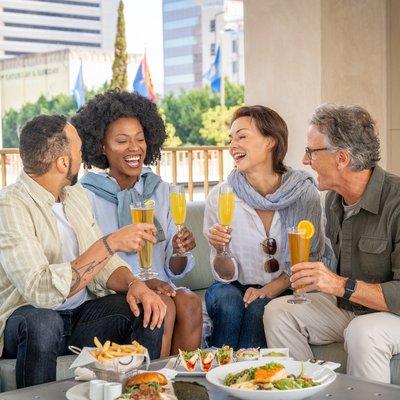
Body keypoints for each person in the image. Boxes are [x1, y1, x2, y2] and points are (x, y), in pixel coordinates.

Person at [0, 115, 166, 388]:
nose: (82, 156)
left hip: (79, 317)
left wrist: (136, 284)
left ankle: (141, 392)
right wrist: (110, 242)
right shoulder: (10, 205)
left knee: (145, 307)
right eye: (78, 150)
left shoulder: (75, 194)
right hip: (27, 321)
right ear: (63, 162)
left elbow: (101, 264)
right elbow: (40, 291)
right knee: (44, 322)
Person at [264, 104, 400, 383]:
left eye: (311, 152)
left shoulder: (396, 202)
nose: (304, 160)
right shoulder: (334, 201)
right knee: (278, 311)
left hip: (391, 315)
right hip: (353, 307)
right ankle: (305, 390)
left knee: (364, 331)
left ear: (342, 158)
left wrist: (338, 284)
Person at [71, 90, 203, 356]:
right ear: (101, 147)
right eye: (122, 141)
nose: (134, 148)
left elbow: (174, 269)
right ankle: (153, 387)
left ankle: (183, 385)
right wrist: (141, 283)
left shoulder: (161, 190)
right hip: (115, 292)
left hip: (162, 284)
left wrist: (178, 250)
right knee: (165, 304)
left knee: (190, 303)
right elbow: (93, 262)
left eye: (140, 139)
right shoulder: (87, 196)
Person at [204, 105, 331, 350]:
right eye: (230, 139)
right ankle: (216, 376)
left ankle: (250, 381)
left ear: (270, 141)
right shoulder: (221, 195)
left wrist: (271, 289)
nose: (232, 145)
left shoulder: (303, 192)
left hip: (285, 283)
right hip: (231, 285)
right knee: (229, 304)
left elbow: (311, 256)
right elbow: (223, 274)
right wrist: (220, 249)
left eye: (242, 136)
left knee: (259, 310)